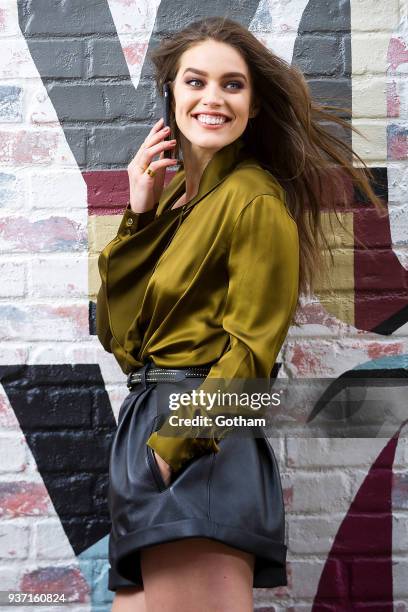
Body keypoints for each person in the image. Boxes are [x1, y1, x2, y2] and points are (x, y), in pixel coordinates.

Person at [96, 16, 385, 612]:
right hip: (152, 428)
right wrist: (141, 214)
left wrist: (174, 442)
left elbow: (254, 357)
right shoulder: (184, 204)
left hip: (195, 437)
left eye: (233, 85)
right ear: (172, 96)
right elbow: (122, 341)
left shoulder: (254, 197)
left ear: (253, 107)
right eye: (195, 82)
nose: (212, 99)